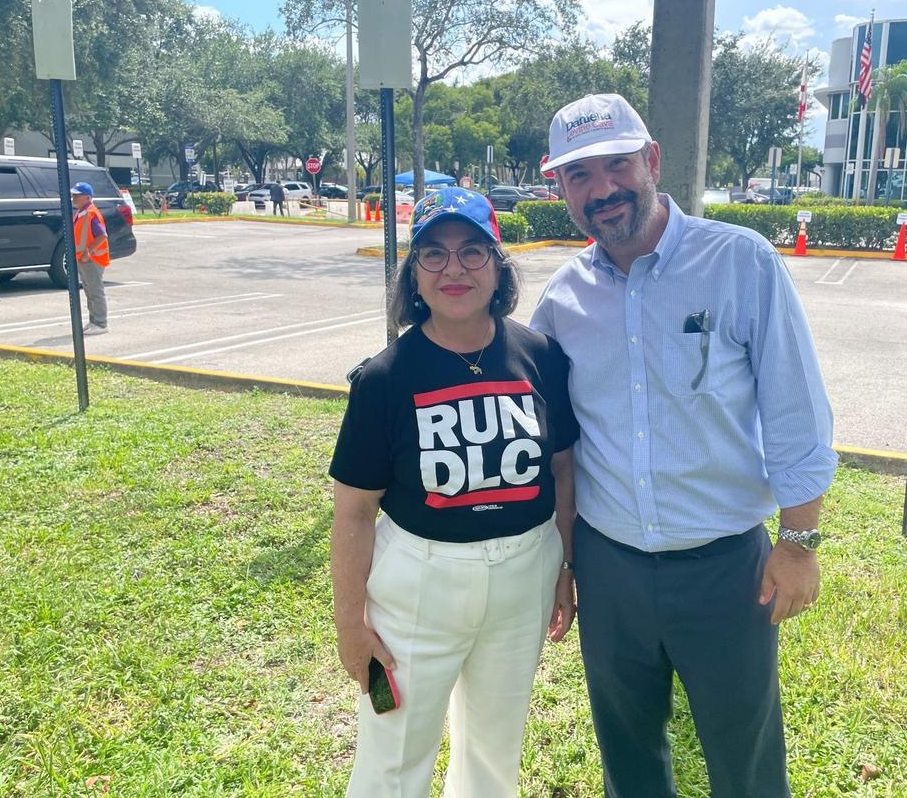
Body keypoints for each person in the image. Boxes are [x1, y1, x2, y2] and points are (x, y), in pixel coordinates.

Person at [530, 93, 837, 797]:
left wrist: (800, 540)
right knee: (628, 754)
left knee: (745, 757)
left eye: (617, 165)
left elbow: (796, 408)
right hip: (610, 571)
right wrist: (566, 560)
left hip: (726, 567)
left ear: (652, 161)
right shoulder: (560, 302)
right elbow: (561, 451)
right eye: (580, 175)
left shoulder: (739, 263)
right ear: (562, 189)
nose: (602, 189)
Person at [328, 186, 580, 797]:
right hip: (419, 584)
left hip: (524, 575)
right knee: (394, 754)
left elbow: (564, 470)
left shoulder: (542, 356)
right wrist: (350, 622)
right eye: (433, 255)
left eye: (472, 251)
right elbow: (355, 512)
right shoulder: (383, 379)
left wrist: (565, 568)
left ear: (499, 266)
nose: (454, 269)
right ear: (413, 274)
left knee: (496, 749)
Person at [71, 182, 110, 335]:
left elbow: (102, 235)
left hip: (92, 259)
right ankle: (94, 320)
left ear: (87, 197)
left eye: (77, 195)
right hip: (84, 258)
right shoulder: (81, 212)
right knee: (89, 290)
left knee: (95, 290)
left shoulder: (90, 213)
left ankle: (101, 323)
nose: (74, 198)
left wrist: (88, 252)